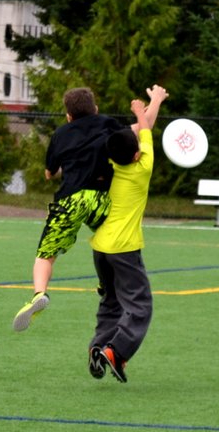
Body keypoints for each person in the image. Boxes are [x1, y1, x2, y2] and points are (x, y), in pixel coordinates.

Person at [13, 87, 131, 331]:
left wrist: (62, 168)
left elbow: (49, 173)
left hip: (70, 199)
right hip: (100, 197)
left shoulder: (61, 134)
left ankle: (39, 294)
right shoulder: (108, 123)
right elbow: (130, 139)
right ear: (95, 109)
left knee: (46, 254)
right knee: (107, 241)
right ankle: (107, 284)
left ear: (68, 115)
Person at [87, 85, 169, 383]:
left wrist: (142, 111)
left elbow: (137, 132)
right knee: (140, 306)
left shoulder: (109, 164)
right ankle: (117, 352)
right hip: (124, 248)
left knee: (111, 301)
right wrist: (153, 102)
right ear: (136, 155)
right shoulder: (142, 168)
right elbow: (146, 128)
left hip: (100, 247)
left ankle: (98, 346)